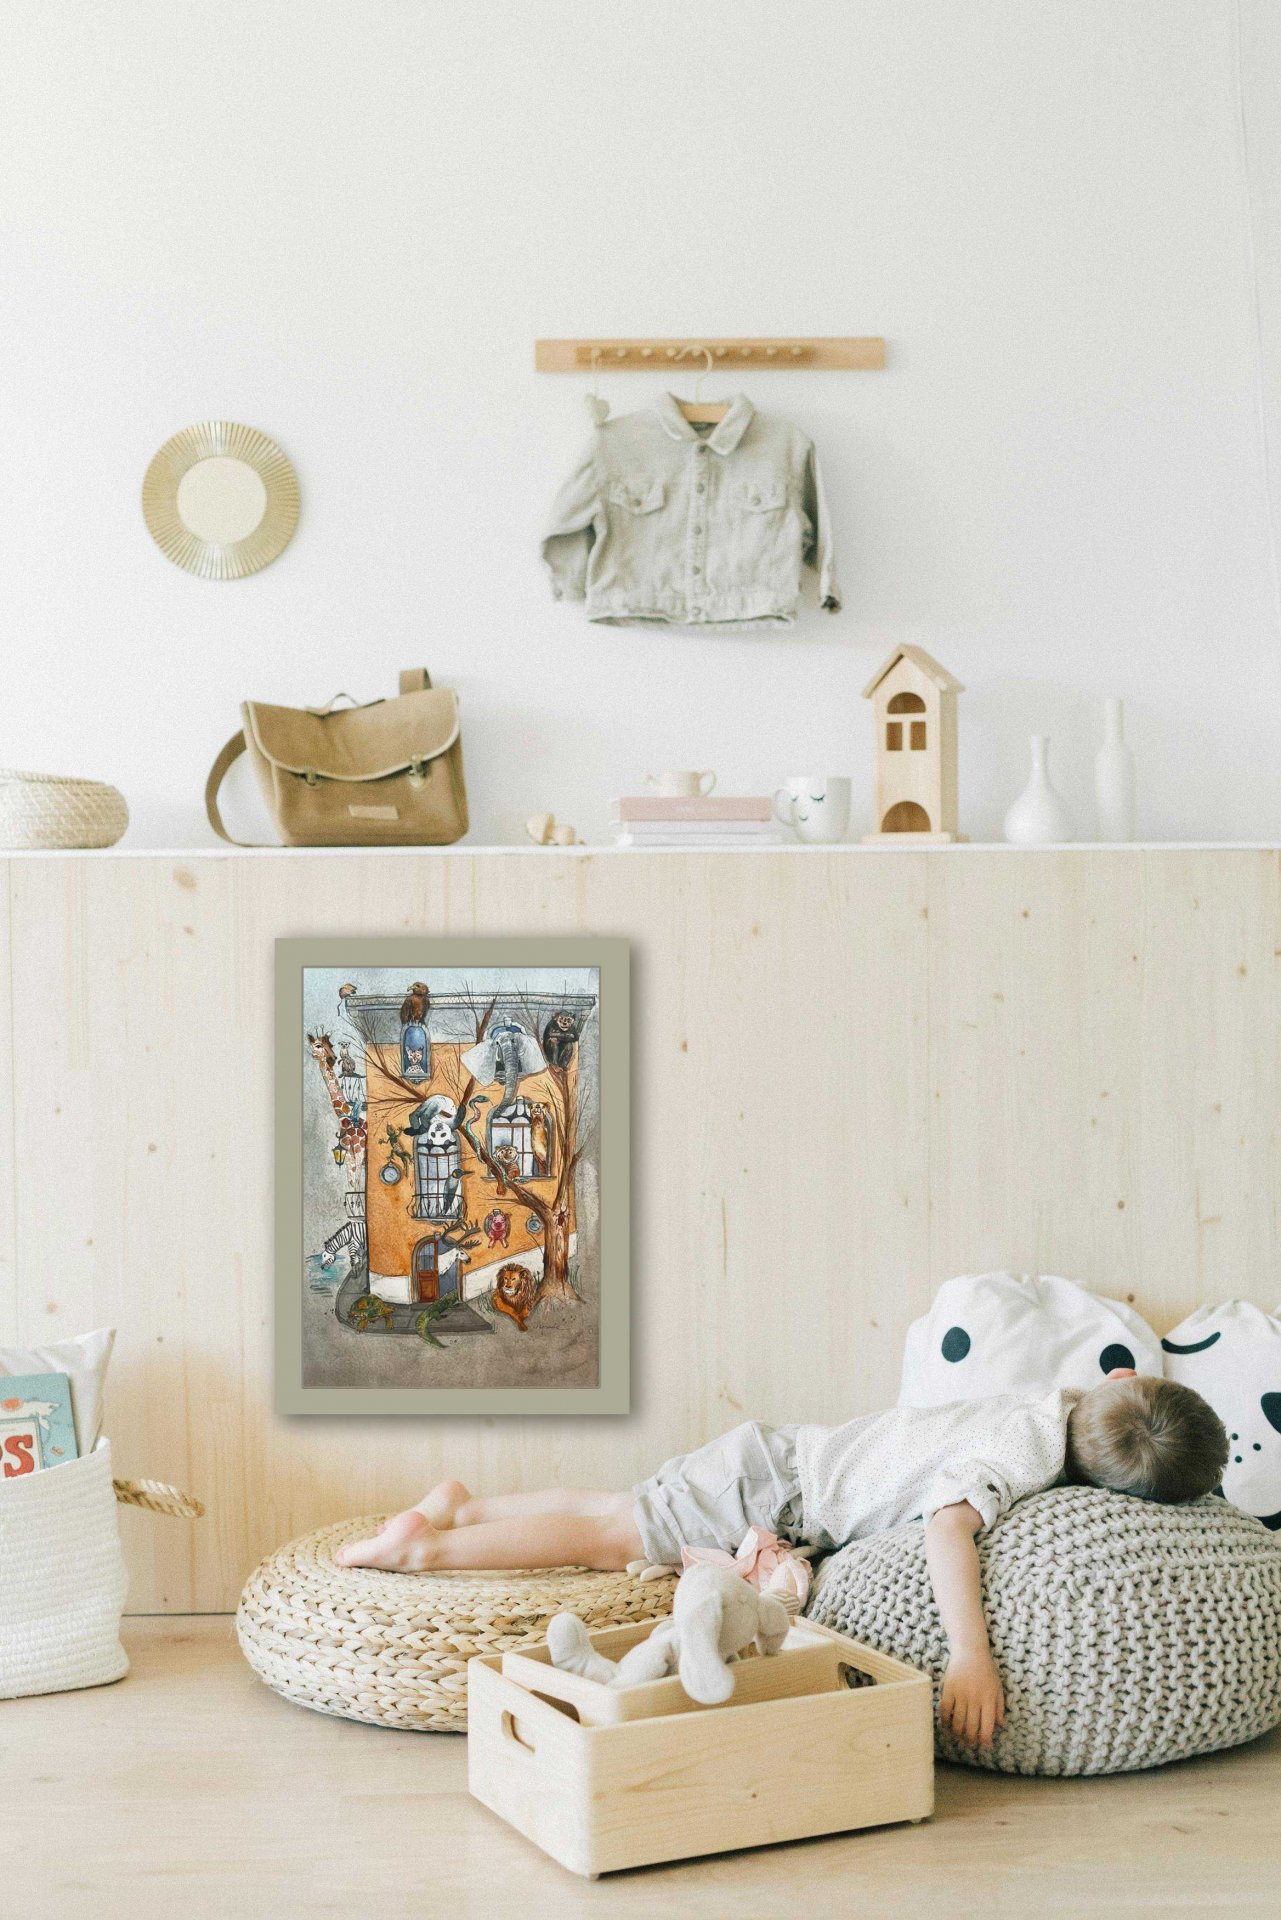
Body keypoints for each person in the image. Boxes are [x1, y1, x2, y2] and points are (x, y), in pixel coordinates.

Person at [337, 1369, 1228, 1748]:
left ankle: (460, 1508)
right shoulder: (1022, 1454)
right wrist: (970, 1654)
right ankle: (427, 1550)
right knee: (609, 1539)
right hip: (776, 1489)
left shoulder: (1060, 1397)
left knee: (619, 1509)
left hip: (779, 1460)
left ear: (1117, 1382)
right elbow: (946, 1528)